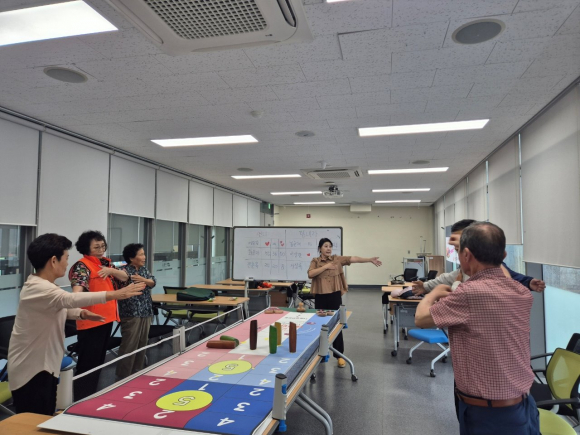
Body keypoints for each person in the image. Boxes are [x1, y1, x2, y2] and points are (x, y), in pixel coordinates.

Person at [415, 222, 539, 435]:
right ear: (504, 255)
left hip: (489, 415)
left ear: (466, 255)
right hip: (524, 404)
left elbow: (421, 319)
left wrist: (432, 295)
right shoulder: (521, 292)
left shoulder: (468, 294)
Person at [7, 233, 144, 415]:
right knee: (33, 418)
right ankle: (82, 404)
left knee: (45, 412)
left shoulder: (44, 285)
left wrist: (80, 313)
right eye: (66, 258)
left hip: (45, 364)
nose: (67, 263)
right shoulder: (40, 287)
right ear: (54, 261)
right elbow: (70, 299)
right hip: (32, 368)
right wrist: (115, 294)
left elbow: (58, 308)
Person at [69, 230, 131, 400]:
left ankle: (91, 395)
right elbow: (77, 291)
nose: (101, 250)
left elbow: (125, 277)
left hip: (106, 320)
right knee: (88, 364)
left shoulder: (105, 264)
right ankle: (81, 398)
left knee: (97, 362)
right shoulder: (82, 266)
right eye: (96, 247)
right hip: (91, 321)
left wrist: (111, 271)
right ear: (86, 248)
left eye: (103, 246)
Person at [412, 219, 546, 295]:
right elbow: (447, 278)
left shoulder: (494, 269)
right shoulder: (463, 272)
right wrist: (425, 286)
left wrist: (528, 282)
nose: (460, 255)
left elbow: (510, 278)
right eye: (458, 249)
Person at [307, 238, 382, 367]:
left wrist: (369, 259)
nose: (328, 248)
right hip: (320, 296)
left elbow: (353, 258)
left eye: (330, 246)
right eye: (325, 246)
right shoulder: (315, 261)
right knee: (321, 326)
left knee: (337, 325)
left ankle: (339, 356)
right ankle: (321, 355)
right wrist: (326, 266)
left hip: (334, 295)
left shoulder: (337, 259)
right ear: (320, 248)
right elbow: (311, 274)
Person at [115, 243, 156, 380]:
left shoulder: (143, 270)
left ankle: (137, 373)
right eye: (141, 254)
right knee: (129, 345)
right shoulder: (124, 272)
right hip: (131, 313)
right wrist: (146, 281)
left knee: (142, 343)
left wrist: (144, 280)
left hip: (146, 310)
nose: (144, 257)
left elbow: (153, 282)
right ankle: (123, 376)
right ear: (132, 258)